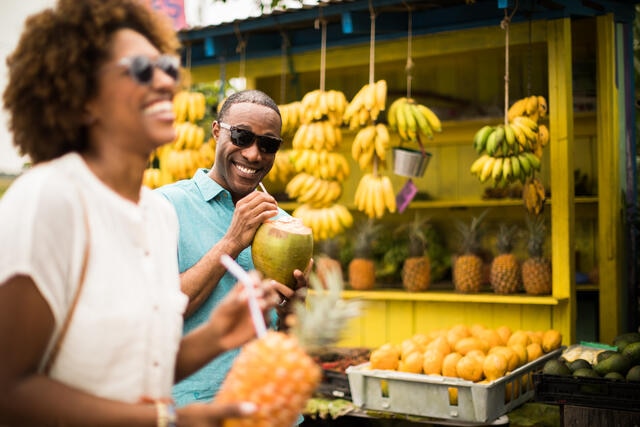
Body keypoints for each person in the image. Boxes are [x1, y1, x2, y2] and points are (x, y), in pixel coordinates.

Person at [0, 1, 280, 425]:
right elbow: (9, 391)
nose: (166, 79)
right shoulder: (50, 198)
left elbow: (136, 372)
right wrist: (166, 421)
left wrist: (216, 335)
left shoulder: (154, 213)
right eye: (139, 70)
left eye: (165, 65)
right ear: (83, 99)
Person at [155, 90, 311, 408]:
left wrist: (291, 309)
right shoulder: (165, 207)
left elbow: (288, 335)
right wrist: (232, 242)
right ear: (217, 131)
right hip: (195, 409)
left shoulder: (283, 224)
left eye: (268, 145)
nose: (254, 154)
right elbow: (156, 313)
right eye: (242, 136)